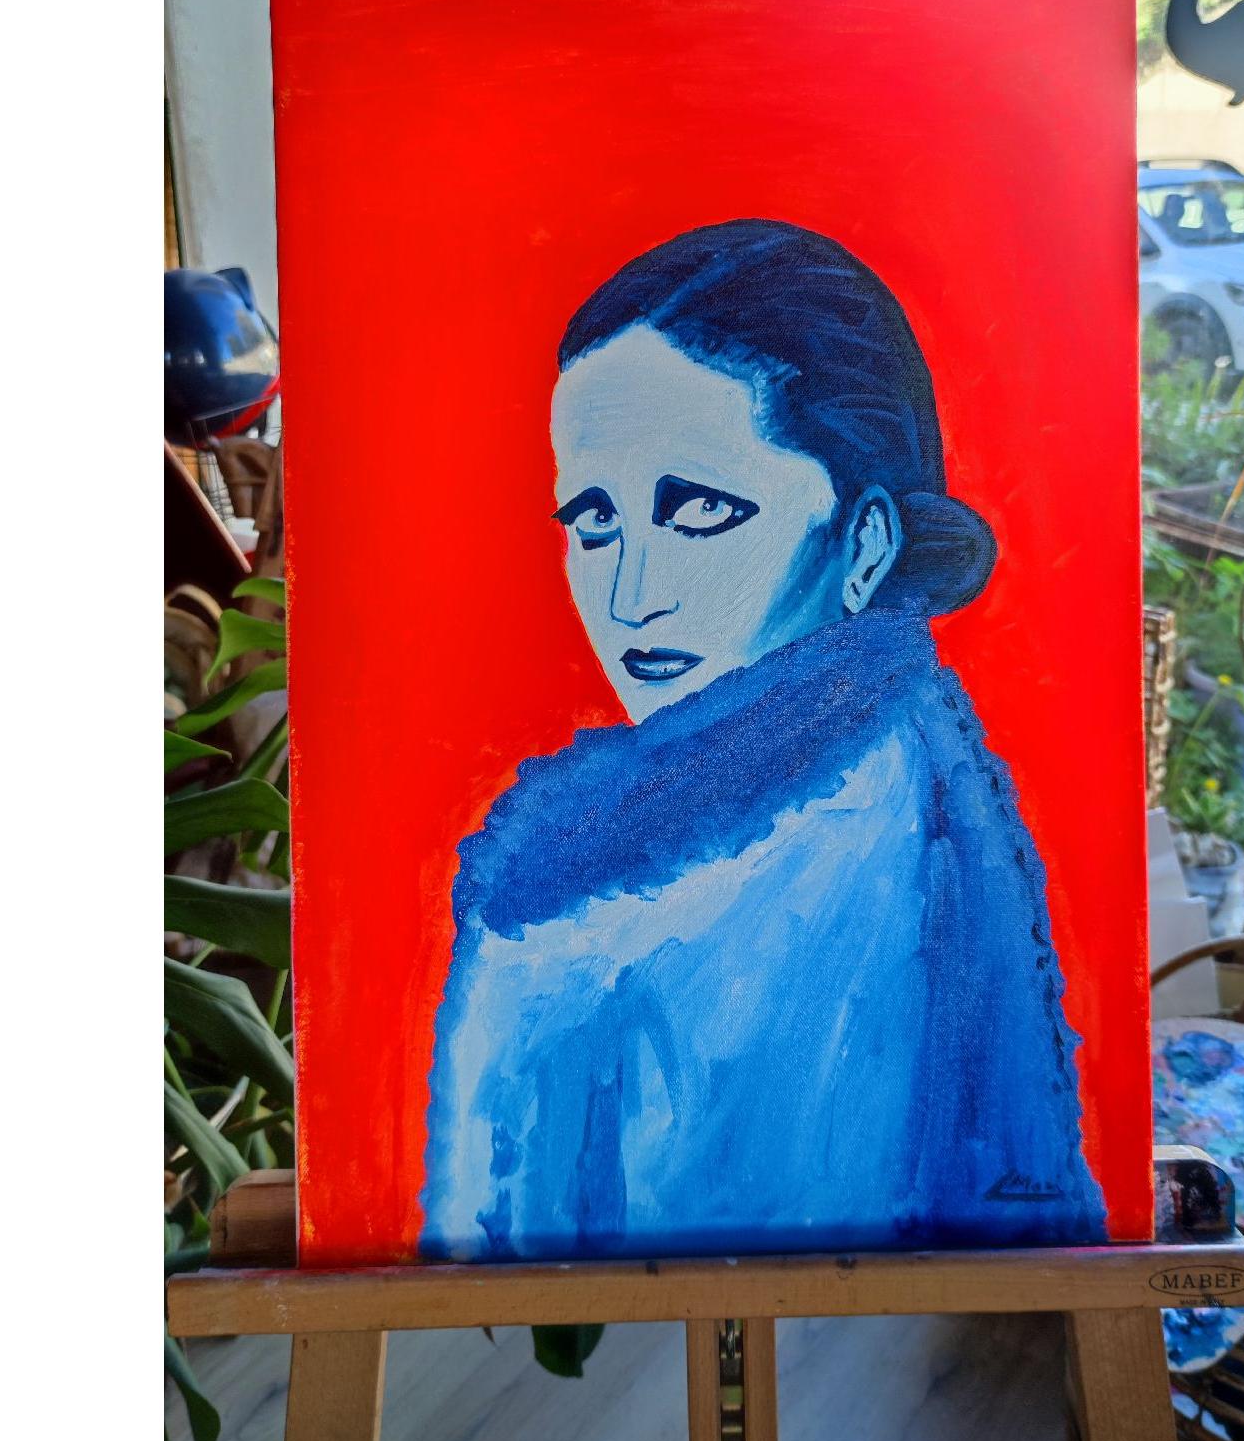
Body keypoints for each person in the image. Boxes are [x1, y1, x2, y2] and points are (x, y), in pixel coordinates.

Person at [420, 219, 1107, 1260]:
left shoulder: (642, 906)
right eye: (594, 521)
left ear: (864, 542)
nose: (630, 594)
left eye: (699, 510)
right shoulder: (923, 770)